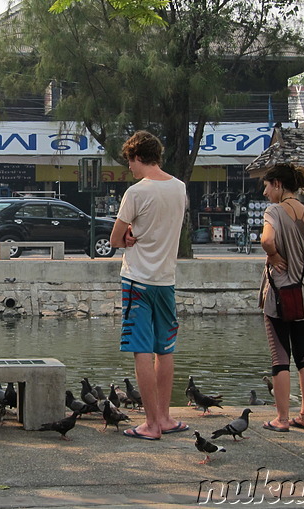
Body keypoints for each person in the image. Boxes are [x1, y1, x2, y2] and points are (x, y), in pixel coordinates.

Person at [110, 130, 188, 441]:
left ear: (137, 156)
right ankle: (166, 417)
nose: (129, 167)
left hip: (137, 280)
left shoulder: (136, 193)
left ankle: (151, 424)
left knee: (140, 348)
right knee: (164, 349)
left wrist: (128, 233)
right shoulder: (179, 188)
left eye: (129, 160)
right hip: (166, 280)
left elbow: (115, 239)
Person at [259, 163, 304, 432]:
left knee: (280, 357)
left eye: (267, 185)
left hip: (280, 294)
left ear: (279, 185)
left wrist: (272, 256)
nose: (265, 192)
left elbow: (267, 240)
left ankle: (281, 419)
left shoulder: (274, 210)